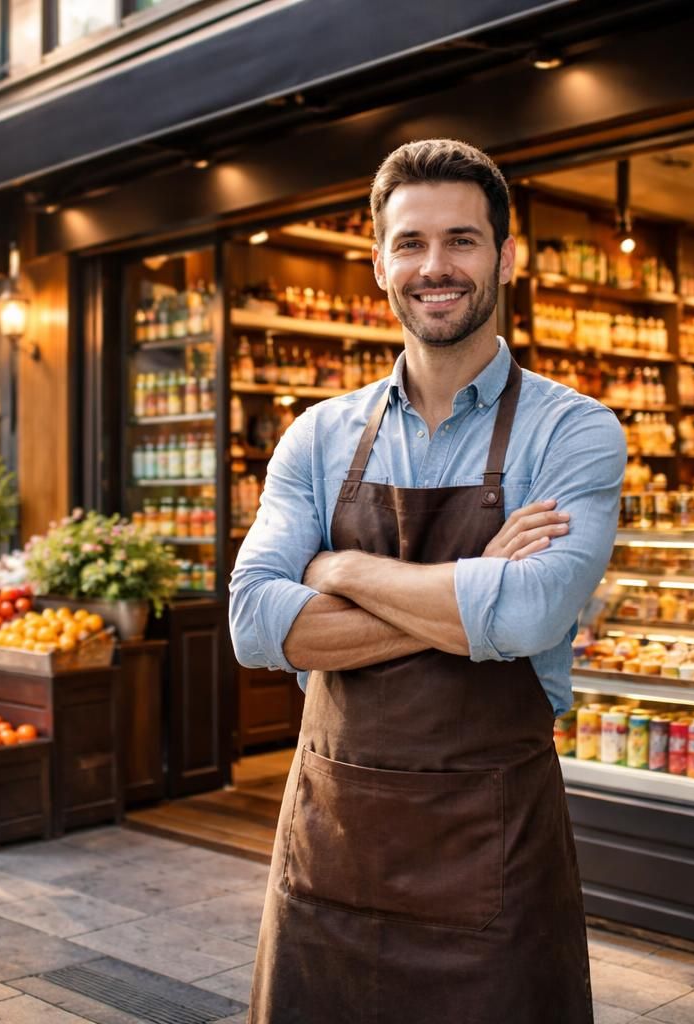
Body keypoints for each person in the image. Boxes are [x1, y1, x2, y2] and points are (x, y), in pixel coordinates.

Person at [230, 139, 622, 1021]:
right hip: (332, 845)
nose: (434, 266)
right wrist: (475, 584)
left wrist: (341, 569)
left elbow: (529, 617)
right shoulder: (319, 436)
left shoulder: (575, 431)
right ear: (379, 264)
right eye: (410, 244)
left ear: (506, 258)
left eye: (462, 240)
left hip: (495, 855)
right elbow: (255, 623)